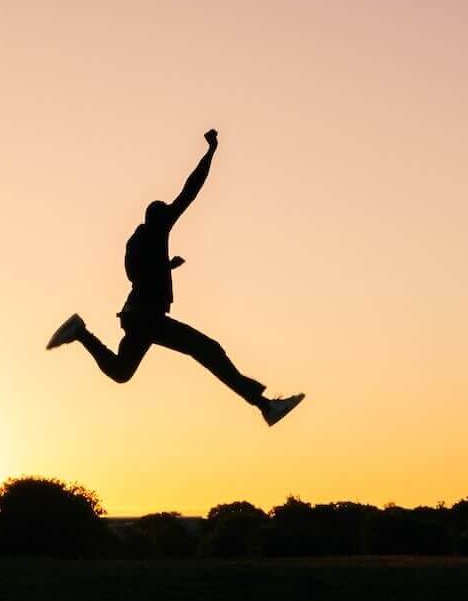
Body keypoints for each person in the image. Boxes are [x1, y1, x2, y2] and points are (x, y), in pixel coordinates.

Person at [47, 129, 305, 426]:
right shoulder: (158, 229)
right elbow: (190, 190)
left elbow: (135, 274)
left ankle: (80, 332)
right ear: (158, 217)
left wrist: (166, 266)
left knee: (121, 372)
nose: (171, 212)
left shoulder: (138, 240)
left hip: (137, 315)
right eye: (166, 212)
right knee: (208, 349)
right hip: (146, 317)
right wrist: (211, 152)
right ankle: (265, 406)